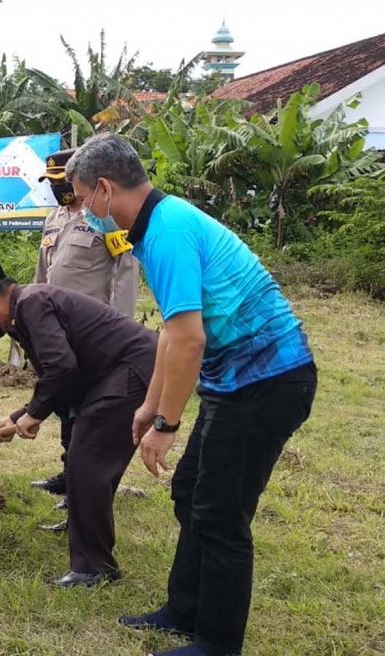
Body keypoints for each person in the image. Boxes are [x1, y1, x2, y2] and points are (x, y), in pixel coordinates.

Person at [66, 133, 317, 656]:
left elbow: (189, 341)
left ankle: (217, 644)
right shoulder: (154, 227)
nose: (85, 212)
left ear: (105, 189)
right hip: (236, 380)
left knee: (222, 515)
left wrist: (167, 425)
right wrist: (149, 405)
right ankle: (183, 611)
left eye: (84, 199)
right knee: (190, 491)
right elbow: (170, 332)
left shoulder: (168, 233)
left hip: (267, 382)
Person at [0, 258, 157, 588]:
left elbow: (61, 367)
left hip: (131, 369)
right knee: (86, 459)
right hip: (117, 372)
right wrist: (18, 416)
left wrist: (33, 415)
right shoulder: (26, 308)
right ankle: (87, 541)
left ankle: (95, 569)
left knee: (88, 461)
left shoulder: (31, 303)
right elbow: (61, 377)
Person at [31, 148, 139, 507]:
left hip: (94, 332)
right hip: (56, 330)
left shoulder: (104, 220)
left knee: (88, 409)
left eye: (60, 182)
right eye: (50, 183)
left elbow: (125, 272)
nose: (56, 189)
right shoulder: (54, 219)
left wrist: (121, 327)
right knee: (65, 402)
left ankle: (86, 482)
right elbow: (43, 275)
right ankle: (70, 474)